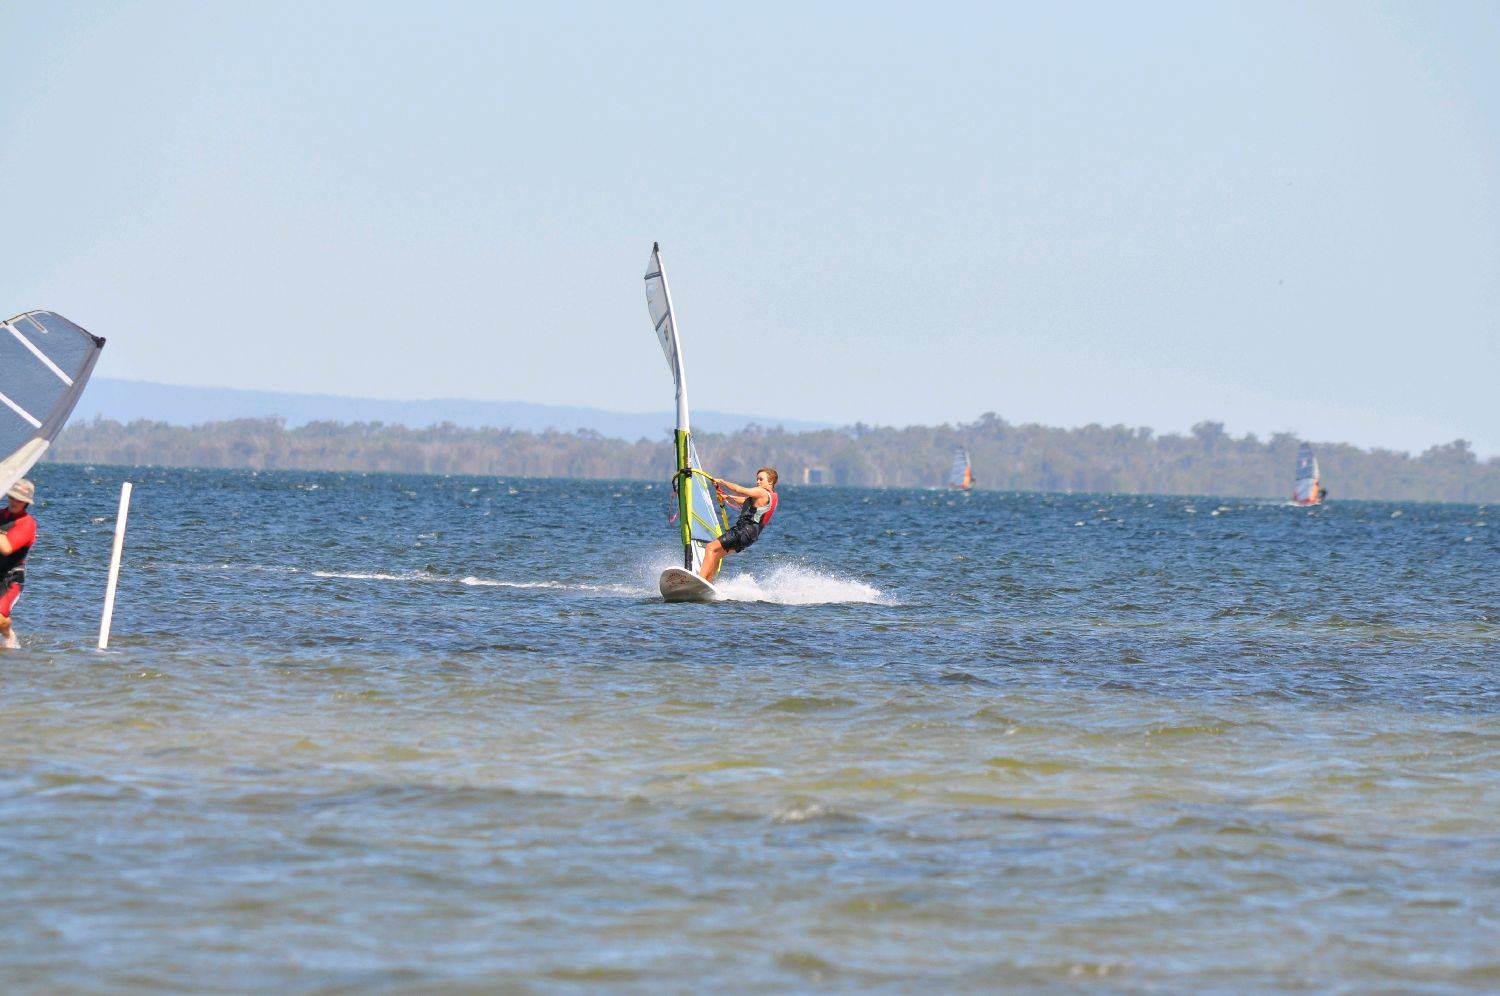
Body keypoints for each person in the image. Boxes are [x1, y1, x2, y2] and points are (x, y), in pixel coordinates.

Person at [700, 467, 778, 581]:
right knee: (717, 554)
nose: (758, 482)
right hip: (750, 537)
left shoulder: (761, 492)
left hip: (743, 531)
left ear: (770, 481)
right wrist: (728, 497)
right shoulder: (769, 496)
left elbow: (739, 489)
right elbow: (745, 501)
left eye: (761, 479)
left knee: (710, 547)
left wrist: (721, 481)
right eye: (757, 479)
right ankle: (707, 582)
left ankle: (700, 579)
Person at [0, 478, 37, 648]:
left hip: (11, 579)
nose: (15, 501)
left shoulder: (27, 524)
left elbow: (6, 548)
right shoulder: (1, 515)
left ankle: (9, 635)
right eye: (13, 496)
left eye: (19, 499)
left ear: (26, 502)